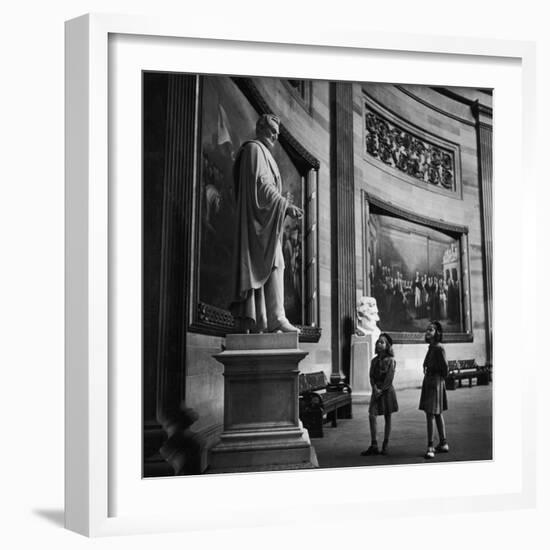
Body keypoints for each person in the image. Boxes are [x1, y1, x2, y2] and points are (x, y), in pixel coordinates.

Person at [230, 114, 303, 333]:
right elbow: (261, 186)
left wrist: (280, 205)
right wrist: (285, 205)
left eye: (277, 133)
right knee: (275, 263)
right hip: (256, 225)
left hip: (266, 224)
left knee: (278, 263)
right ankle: (274, 317)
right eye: (271, 130)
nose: (274, 136)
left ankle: (274, 318)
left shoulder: (264, 154)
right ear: (260, 128)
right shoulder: (254, 150)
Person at [361, 333, 399, 456]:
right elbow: (371, 376)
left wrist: (381, 390)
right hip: (376, 390)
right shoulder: (374, 361)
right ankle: (374, 445)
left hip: (387, 392)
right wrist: (374, 388)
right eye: (378, 342)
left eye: (382, 342)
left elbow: (389, 378)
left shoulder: (391, 361)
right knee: (372, 415)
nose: (379, 344)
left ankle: (385, 444)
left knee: (388, 417)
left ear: (387, 346)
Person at [419, 321, 450, 459]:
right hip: (429, 380)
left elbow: (445, 369)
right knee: (436, 414)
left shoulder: (438, 347)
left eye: (431, 330)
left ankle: (430, 446)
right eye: (427, 330)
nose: (428, 332)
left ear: (437, 332)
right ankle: (443, 443)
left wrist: (438, 381)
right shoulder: (431, 347)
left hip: (435, 382)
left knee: (431, 415)